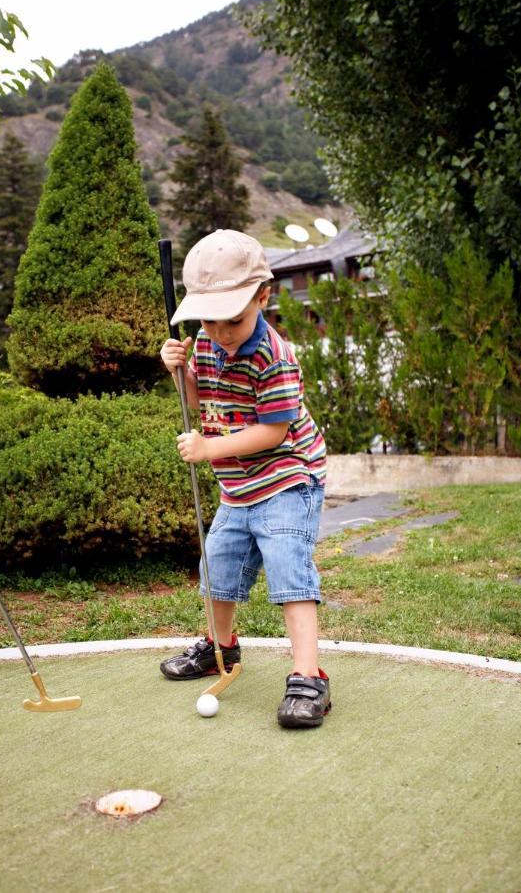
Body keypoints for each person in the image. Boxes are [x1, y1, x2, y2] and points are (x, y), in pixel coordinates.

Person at [159, 229, 330, 729]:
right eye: (208, 319)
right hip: (239, 487)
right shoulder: (207, 344)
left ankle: (308, 676)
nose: (221, 330)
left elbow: (275, 431)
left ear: (263, 295)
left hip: (286, 479)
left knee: (288, 568)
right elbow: (200, 402)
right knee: (218, 567)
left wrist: (210, 448)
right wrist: (180, 373)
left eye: (233, 319)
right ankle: (221, 648)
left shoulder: (272, 355)